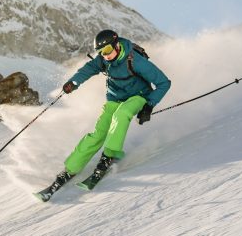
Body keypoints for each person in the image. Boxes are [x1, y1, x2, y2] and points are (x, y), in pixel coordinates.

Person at [53, 29, 171, 189]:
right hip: (115, 98)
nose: (105, 55)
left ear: (116, 45)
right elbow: (87, 70)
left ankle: (109, 155)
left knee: (121, 115)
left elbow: (164, 82)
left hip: (139, 95)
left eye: (107, 50)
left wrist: (149, 105)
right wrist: (73, 83)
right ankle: (70, 169)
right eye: (101, 52)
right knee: (99, 133)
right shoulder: (103, 60)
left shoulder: (135, 60)